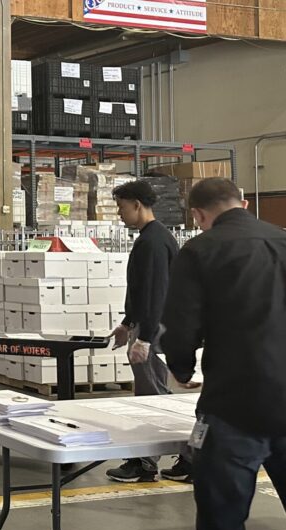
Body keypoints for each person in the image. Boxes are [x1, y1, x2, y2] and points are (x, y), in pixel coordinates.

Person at [161, 178, 286, 530]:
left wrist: (181, 368)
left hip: (236, 405)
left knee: (222, 519)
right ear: (245, 203)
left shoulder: (201, 249)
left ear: (198, 214)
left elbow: (180, 323)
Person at [105, 180, 182, 484]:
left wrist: (145, 338)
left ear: (137, 204)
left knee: (153, 397)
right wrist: (127, 323)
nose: (120, 214)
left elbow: (155, 294)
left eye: (121, 207)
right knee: (153, 394)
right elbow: (142, 291)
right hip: (149, 325)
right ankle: (188, 459)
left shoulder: (153, 242)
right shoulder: (152, 238)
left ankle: (146, 464)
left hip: (156, 329)